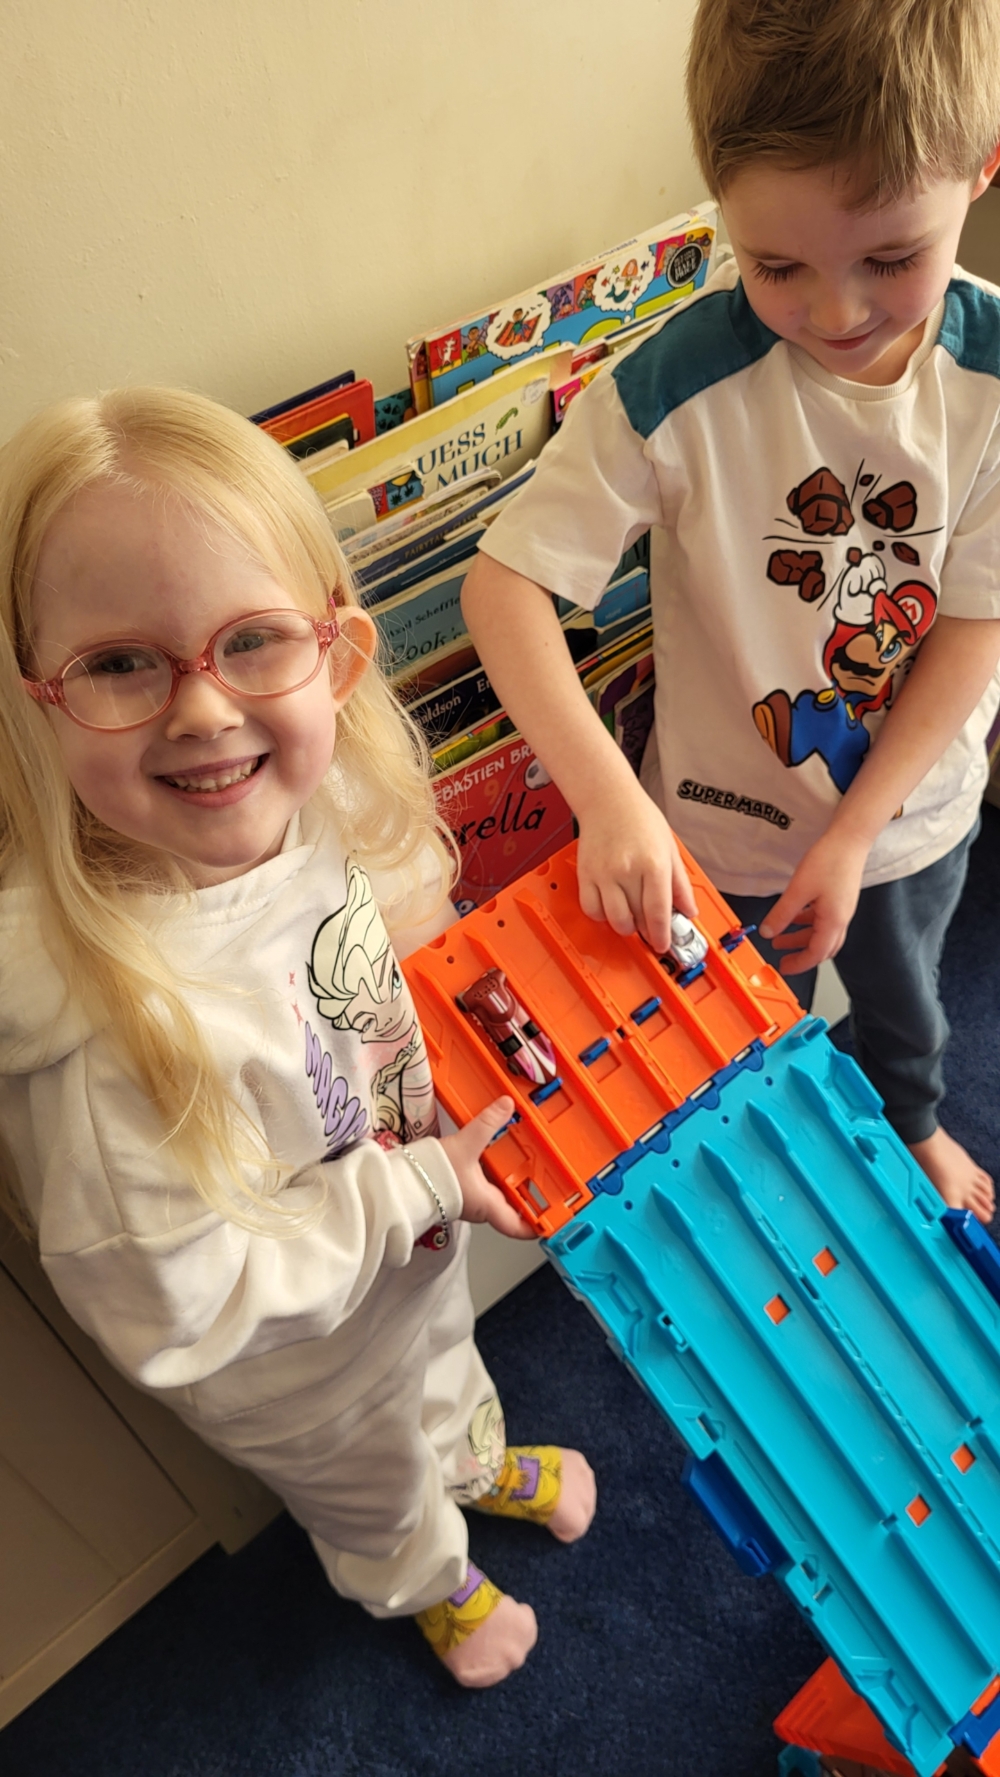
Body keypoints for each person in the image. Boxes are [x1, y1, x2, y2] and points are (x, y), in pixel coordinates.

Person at [0, 387, 596, 1689]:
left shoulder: (315, 808)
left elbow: (364, 988)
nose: (205, 713)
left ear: (336, 656)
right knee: (375, 1477)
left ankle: (476, 1461)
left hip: (408, 1255)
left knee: (446, 1365)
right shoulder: (104, 1029)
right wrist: (422, 1181)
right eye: (119, 663)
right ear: (36, 700)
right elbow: (183, 1305)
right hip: (297, 1370)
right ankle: (430, 1580)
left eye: (252, 643)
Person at [462, 0, 1000, 1224]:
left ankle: (907, 1116)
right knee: (711, 1025)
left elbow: (977, 624)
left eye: (888, 258)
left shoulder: (991, 382)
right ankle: (749, 1149)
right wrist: (605, 804)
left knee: (903, 994)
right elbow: (506, 587)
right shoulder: (673, 389)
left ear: (982, 168)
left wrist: (856, 834)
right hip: (710, 819)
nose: (836, 310)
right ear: (719, 206)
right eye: (776, 266)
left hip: (906, 811)